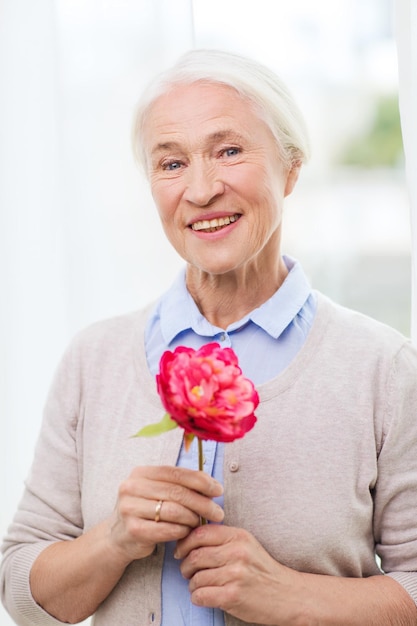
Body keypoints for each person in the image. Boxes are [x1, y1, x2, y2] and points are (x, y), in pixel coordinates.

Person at [1, 48, 417, 626]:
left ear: (291, 166)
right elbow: (23, 591)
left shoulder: (385, 368)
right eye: (170, 164)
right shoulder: (93, 360)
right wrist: (114, 540)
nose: (200, 191)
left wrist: (291, 595)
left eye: (229, 151)